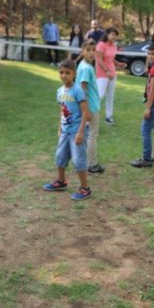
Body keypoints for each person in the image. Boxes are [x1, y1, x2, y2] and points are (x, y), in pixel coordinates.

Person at [42, 59, 92, 201]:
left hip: (77, 131)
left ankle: (85, 188)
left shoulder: (78, 91)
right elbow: (62, 111)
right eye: (61, 72)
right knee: (60, 156)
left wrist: (81, 132)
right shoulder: (60, 91)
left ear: (74, 74)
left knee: (78, 160)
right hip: (65, 131)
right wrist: (60, 128)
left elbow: (86, 113)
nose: (64, 75)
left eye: (67, 73)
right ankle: (61, 181)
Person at [131, 43, 154, 168]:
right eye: (149, 54)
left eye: (153, 54)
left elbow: (152, 90)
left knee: (145, 128)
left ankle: (147, 159)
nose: (151, 56)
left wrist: (148, 108)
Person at [76, 39, 104, 173]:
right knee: (92, 135)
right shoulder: (86, 68)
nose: (91, 53)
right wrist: (86, 110)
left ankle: (83, 160)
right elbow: (82, 89)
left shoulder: (83, 65)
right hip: (90, 107)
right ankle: (92, 164)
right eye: (88, 50)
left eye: (93, 50)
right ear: (82, 52)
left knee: (87, 135)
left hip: (89, 106)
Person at [95, 27, 127, 125]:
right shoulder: (101, 45)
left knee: (110, 96)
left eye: (116, 35)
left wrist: (119, 64)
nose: (114, 37)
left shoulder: (113, 46)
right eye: (113, 34)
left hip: (112, 73)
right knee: (100, 95)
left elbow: (111, 58)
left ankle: (109, 117)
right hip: (102, 74)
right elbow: (99, 59)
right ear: (107, 34)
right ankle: (90, 116)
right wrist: (106, 71)